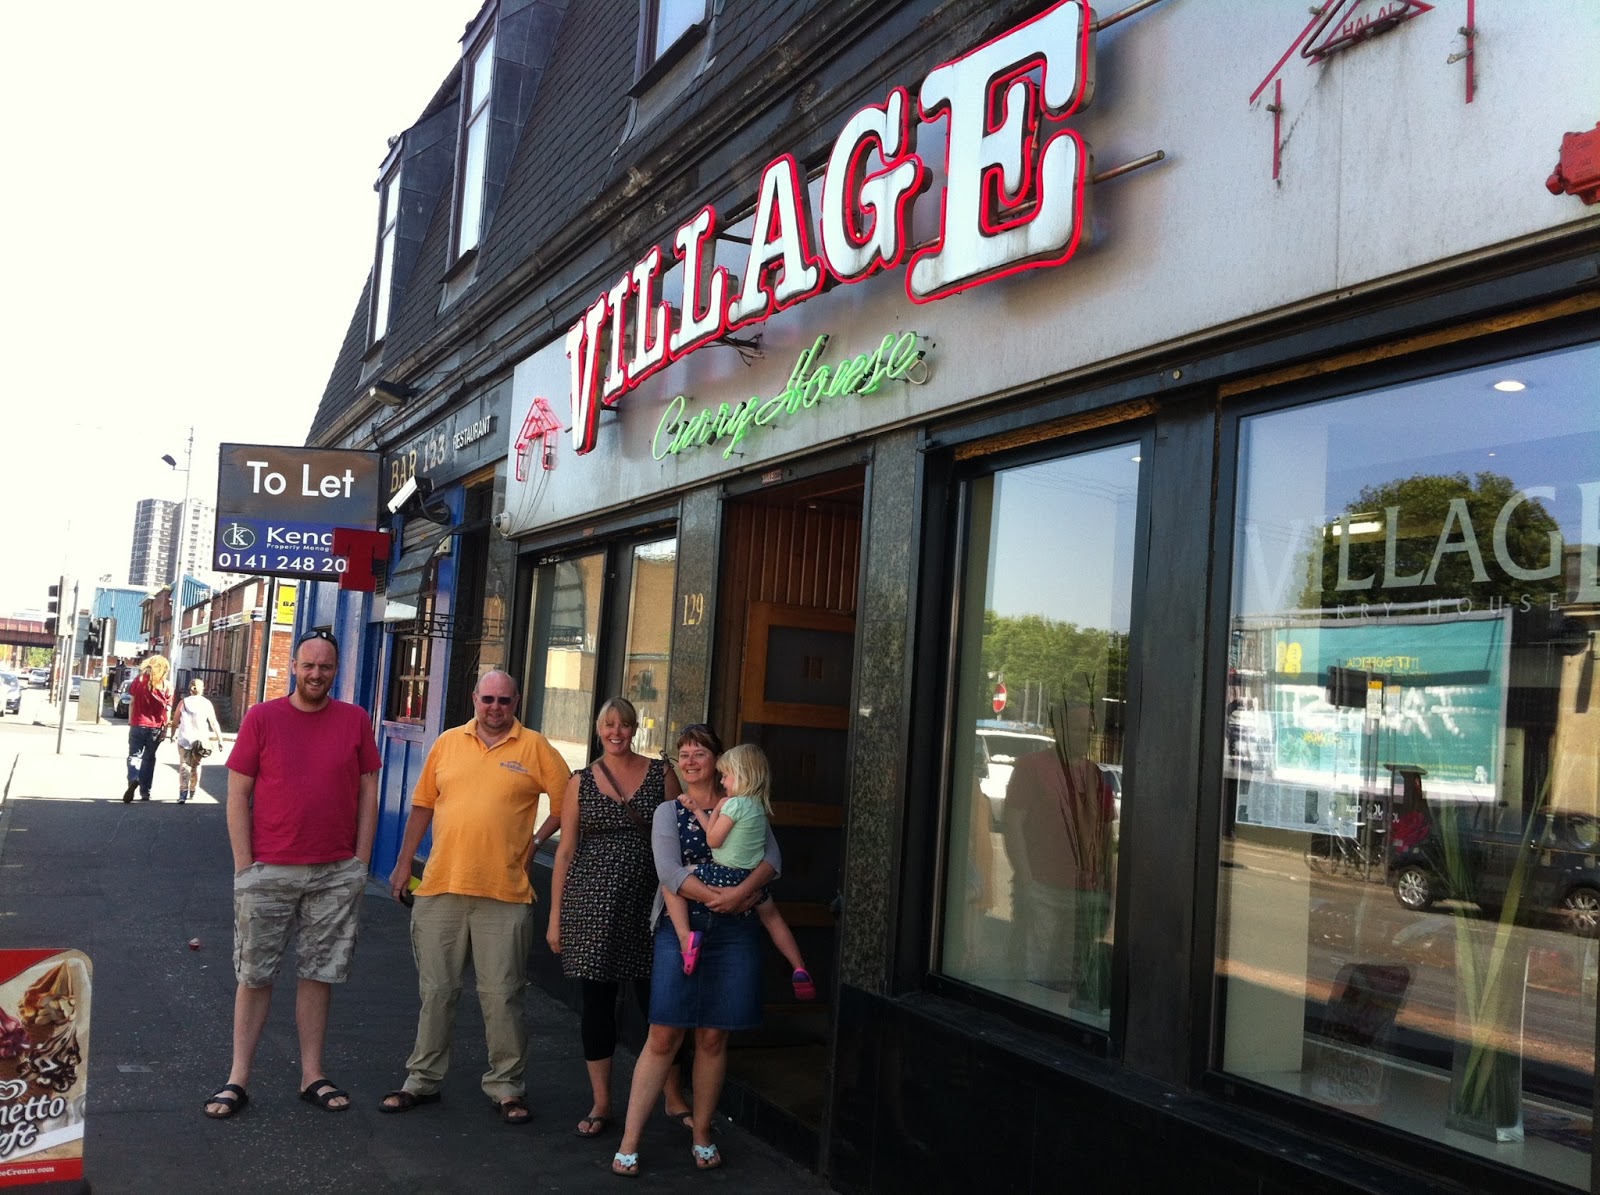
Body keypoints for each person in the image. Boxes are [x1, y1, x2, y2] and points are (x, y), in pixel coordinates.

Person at [379, 670, 570, 1125]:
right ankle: (421, 1081)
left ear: (517, 700)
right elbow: (424, 804)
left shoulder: (535, 747)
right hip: (442, 886)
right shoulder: (446, 742)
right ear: (474, 698)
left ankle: (507, 1088)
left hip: (504, 893)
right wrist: (405, 864)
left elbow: (569, 803)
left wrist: (537, 842)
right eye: (488, 698)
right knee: (437, 993)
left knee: (502, 997)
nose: (495, 707)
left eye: (505, 700)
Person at [203, 632, 380, 1120]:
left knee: (319, 973)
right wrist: (244, 867)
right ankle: (238, 1078)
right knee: (255, 974)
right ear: (294, 667)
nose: (316, 674)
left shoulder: (354, 720)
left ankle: (312, 1074)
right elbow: (237, 795)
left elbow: (369, 791)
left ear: (335, 670)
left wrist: (359, 861)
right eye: (308, 666)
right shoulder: (262, 718)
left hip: (334, 871)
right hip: (268, 870)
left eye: (325, 667)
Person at [612, 724, 781, 1177]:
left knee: (713, 1035)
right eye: (682, 755)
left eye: (698, 754)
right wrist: (717, 898)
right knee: (664, 1034)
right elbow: (668, 871)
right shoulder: (670, 811)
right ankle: (630, 1141)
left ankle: (702, 1131)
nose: (688, 762)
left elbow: (772, 861)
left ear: (718, 761)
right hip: (681, 928)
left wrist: (739, 893)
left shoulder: (743, 806)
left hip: (736, 931)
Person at [546, 697, 692, 1138]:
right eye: (609, 725)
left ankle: (672, 1097)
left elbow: (677, 838)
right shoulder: (580, 782)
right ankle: (602, 1102)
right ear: (598, 729)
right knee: (598, 1006)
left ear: (634, 729)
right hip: (591, 907)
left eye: (624, 725)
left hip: (651, 904)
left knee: (659, 1003)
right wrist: (555, 917)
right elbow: (566, 851)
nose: (616, 732)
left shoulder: (661, 773)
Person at [662, 744, 814, 999]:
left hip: (725, 874)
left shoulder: (733, 806)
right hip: (753, 880)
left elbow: (713, 840)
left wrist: (719, 809)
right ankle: (799, 967)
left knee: (672, 882)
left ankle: (685, 938)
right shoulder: (759, 807)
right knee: (773, 919)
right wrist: (698, 809)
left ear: (742, 775)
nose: (723, 781)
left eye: (726, 775)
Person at [123, 655, 172, 802]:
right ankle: (145, 792)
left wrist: (131, 721)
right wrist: (165, 729)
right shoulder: (167, 686)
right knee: (149, 759)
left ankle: (133, 778)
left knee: (134, 755)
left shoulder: (138, 681)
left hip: (137, 724)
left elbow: (131, 702)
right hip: (156, 728)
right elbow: (167, 710)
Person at [168, 678, 224, 804]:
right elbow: (213, 722)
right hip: (201, 740)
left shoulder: (183, 703)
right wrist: (220, 739)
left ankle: (183, 793)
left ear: (190, 689)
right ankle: (193, 789)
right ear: (202, 689)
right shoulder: (207, 703)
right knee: (196, 765)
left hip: (184, 738)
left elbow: (175, 720)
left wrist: (172, 734)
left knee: (184, 765)